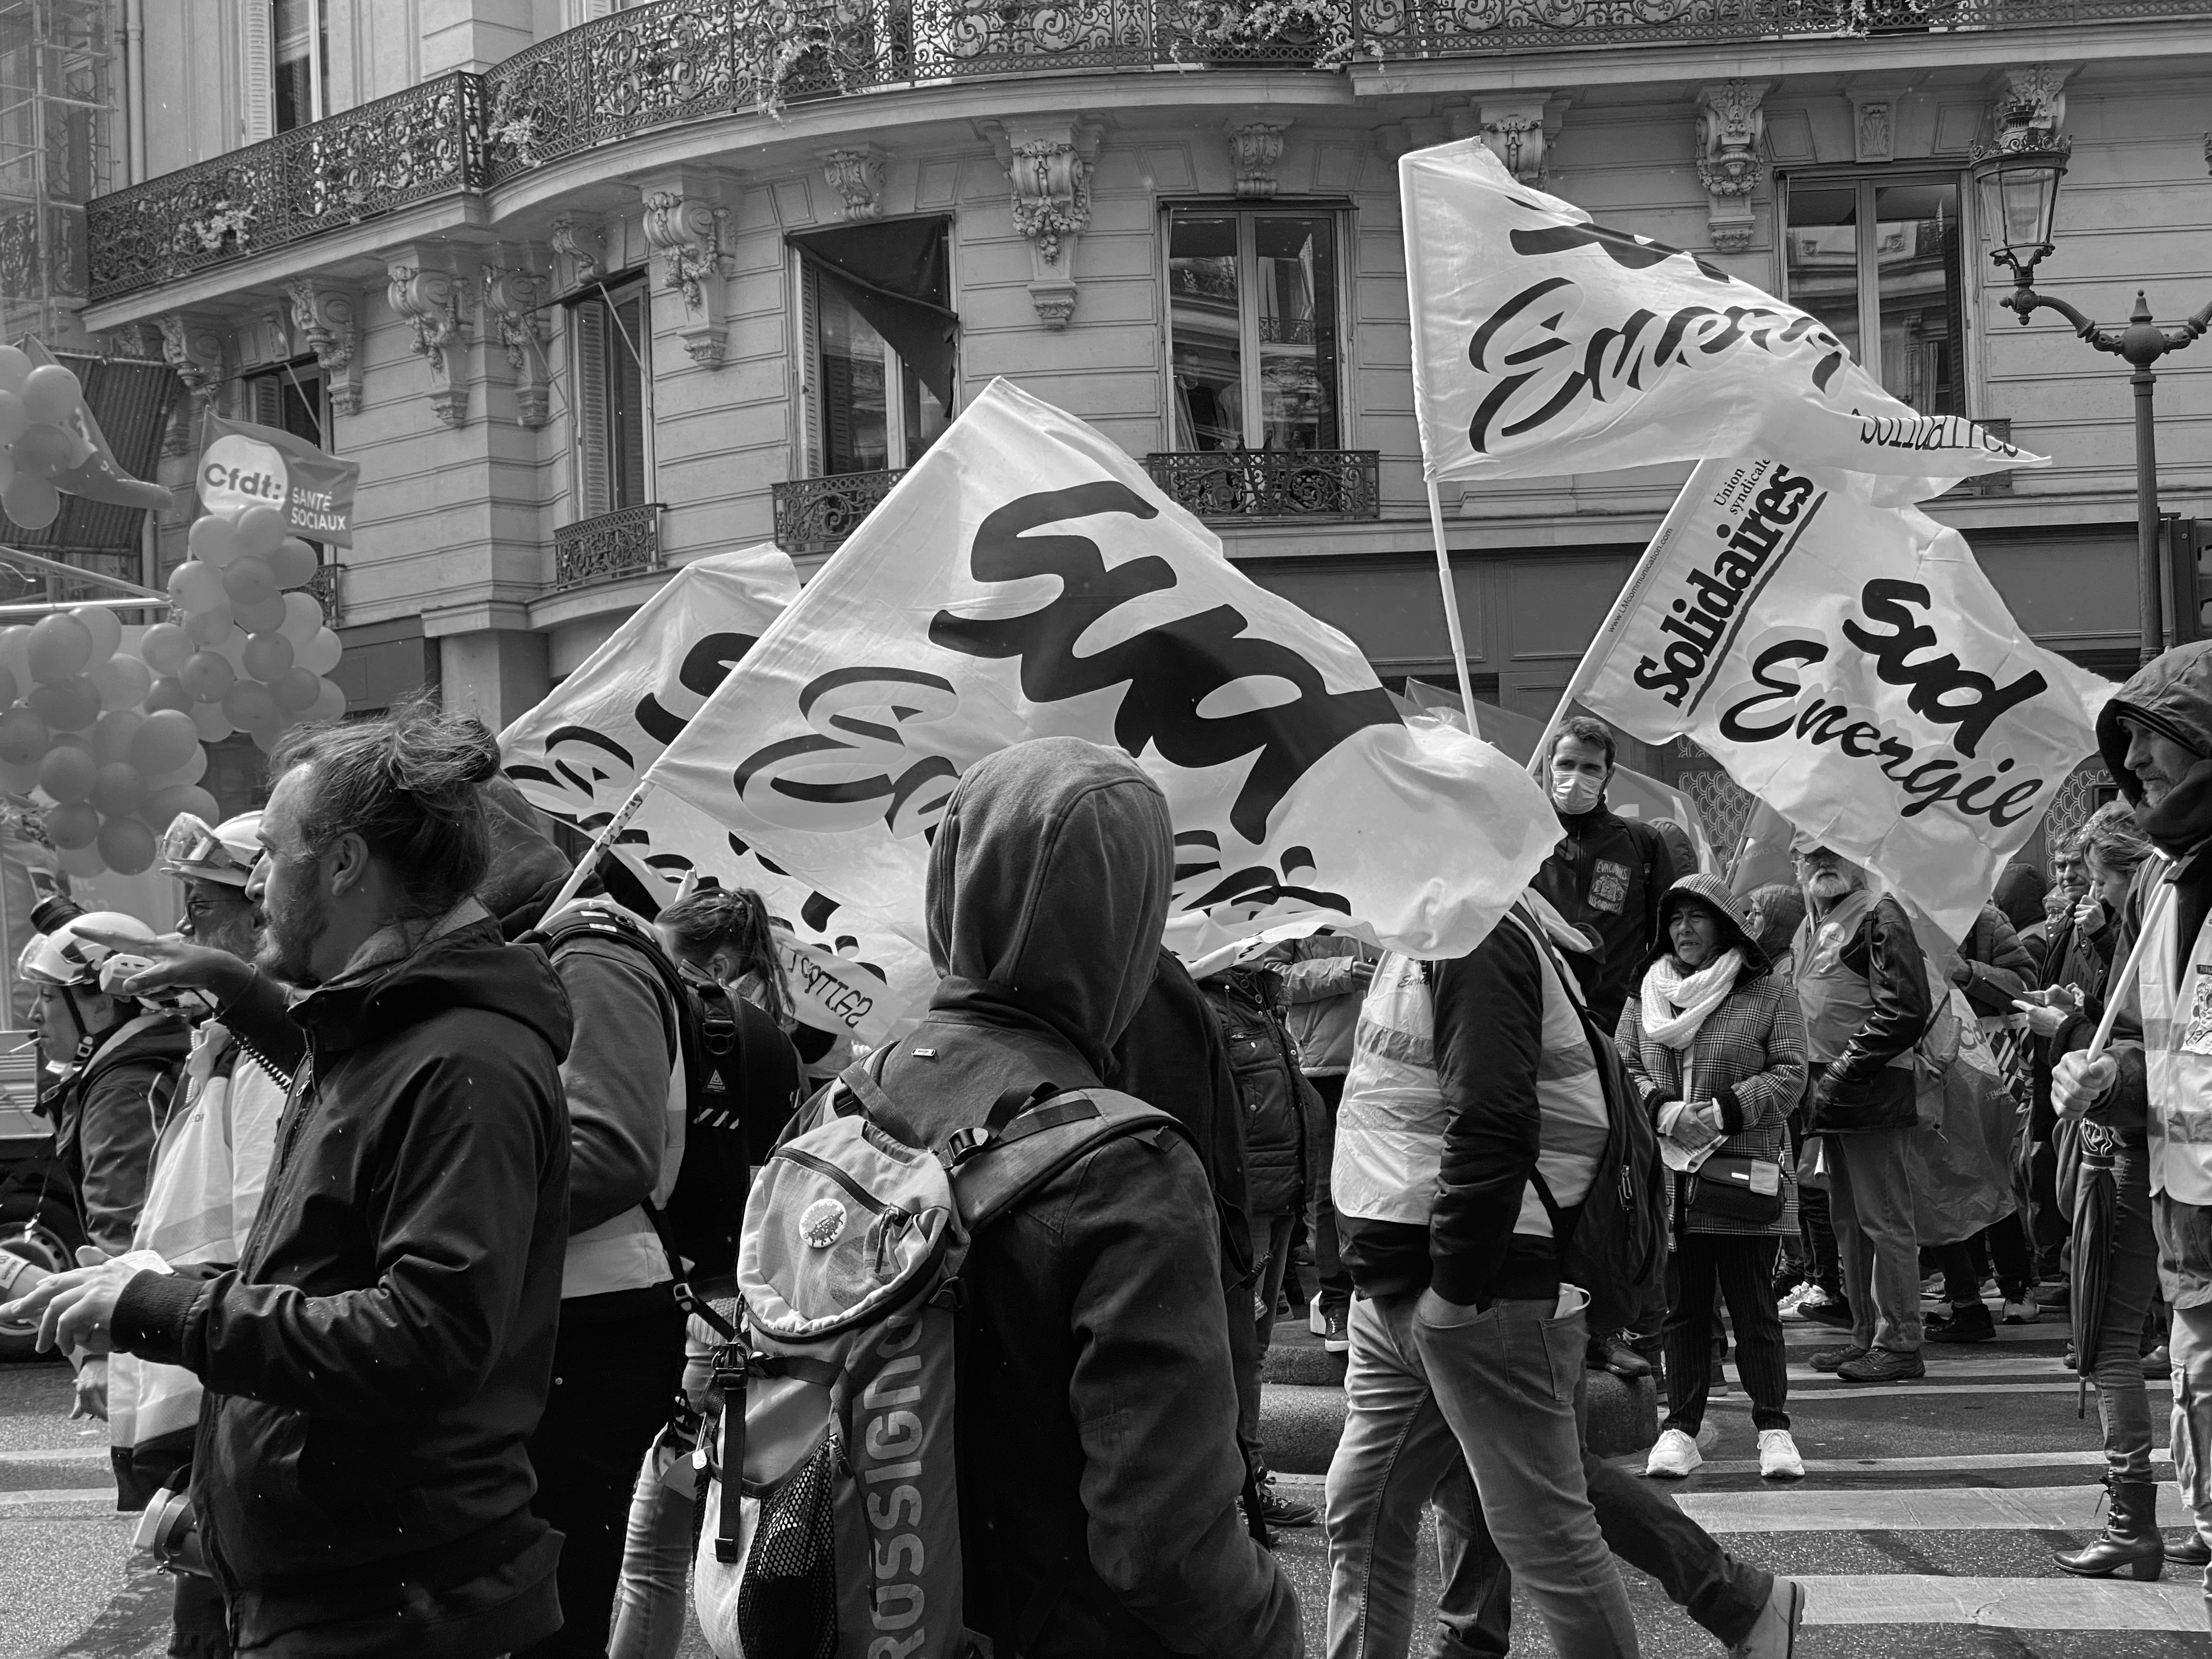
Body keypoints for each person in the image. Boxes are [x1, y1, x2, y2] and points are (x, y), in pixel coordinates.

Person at [5, 708, 573, 1658]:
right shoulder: (402, 1026)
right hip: (346, 1588)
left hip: (399, 1608)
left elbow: (426, 1336)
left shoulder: (462, 1056)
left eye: (273, 852)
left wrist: (161, 1305)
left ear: (345, 861)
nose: (258, 881)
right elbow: (345, 1069)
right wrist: (240, 990)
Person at [812, 736, 1300, 1654]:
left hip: (851, 1611)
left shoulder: (838, 1104)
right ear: (1128, 919)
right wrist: (1272, 1620)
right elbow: (1165, 1545)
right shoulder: (1130, 1165)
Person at [1328, 888, 1803, 1659]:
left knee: (1544, 1526)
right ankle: (1742, 1602)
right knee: (1369, 1513)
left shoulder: (1470, 928)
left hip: (1475, 1286)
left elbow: (1494, 1119)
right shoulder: (1422, 926)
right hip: (1401, 1281)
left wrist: (1456, 1287)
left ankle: (1739, 1602)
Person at [483, 851, 689, 1659]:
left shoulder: (586, 951)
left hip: (590, 1324)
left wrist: (453, 1220)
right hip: (559, 1316)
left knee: (553, 1613)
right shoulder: (547, 950)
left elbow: (610, 1151)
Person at [105, 813, 290, 1659]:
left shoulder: (266, 1061)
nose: (183, 933)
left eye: (202, 911)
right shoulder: (225, 1047)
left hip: (235, 1387)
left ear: (262, 916)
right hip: (209, 1374)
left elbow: (262, 1238)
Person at [2055, 642, 2212, 1620]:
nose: (2139, 768)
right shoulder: (2162, 883)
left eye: (2158, 747)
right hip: (2180, 1205)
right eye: (2131, 752)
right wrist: (2108, 1078)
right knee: (2196, 1394)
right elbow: (2177, 1053)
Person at [608, 886, 806, 1659]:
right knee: (700, 1524)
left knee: (653, 1541)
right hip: (748, 1310)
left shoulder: (685, 1031)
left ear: (715, 961)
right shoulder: (773, 1040)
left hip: (701, 1318)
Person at [1624, 877, 1807, 1482]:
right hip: (1670, 1182)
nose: (1684, 929)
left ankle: (1774, 1429)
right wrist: (1661, 1110)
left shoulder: (1768, 992)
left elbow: (1790, 1071)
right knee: (1683, 1309)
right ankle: (1680, 1428)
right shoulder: (1645, 994)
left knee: (1756, 1307)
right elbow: (1623, 1065)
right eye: (1674, 918)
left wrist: (1724, 1110)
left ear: (1726, 924)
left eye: (1698, 917)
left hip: (1744, 1174)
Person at [2047, 811, 2190, 1578]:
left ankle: (2138, 1518)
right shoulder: (2161, 905)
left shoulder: (2162, 900)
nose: (2089, 892)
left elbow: (2152, 1043)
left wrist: (2102, 1077)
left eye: (2098, 877)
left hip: (2152, 1157)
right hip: (2160, 1151)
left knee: (2112, 1338)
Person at [1533, 715, 1676, 1377]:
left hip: (1612, 1036)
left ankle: (1613, 1325)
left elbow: (1668, 943)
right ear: (1545, 766)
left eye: (1591, 768)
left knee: (1614, 1181)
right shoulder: (1521, 838)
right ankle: (1542, 1321)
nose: (1576, 778)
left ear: (1609, 775)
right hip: (1536, 1029)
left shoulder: (1640, 845)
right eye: (1566, 764)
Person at [19, 909, 191, 1424]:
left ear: (104, 1004)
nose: (34, 1017)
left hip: (157, 1345)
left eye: (49, 997)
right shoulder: (137, 1070)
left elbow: (123, 1225)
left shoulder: (123, 1090)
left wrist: (99, 1349)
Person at [1793, 844, 1933, 1384]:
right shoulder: (1811, 927)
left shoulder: (1879, 913)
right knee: (1849, 1223)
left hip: (1866, 1089)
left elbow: (1905, 1008)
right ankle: (1865, 1336)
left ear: (1857, 855)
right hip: (1832, 1092)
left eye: (1835, 848)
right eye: (1811, 850)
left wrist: (1844, 1072)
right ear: (1795, 859)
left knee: (1885, 1221)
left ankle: (1900, 1341)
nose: (1824, 860)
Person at [1200, 953, 1322, 1530]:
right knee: (1240, 1353)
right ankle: (1242, 1487)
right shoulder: (1209, 1002)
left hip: (1278, 1199)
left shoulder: (1255, 998)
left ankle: (1248, 1485)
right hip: (1243, 1206)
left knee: (1254, 1352)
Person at [1924, 905, 2041, 1341]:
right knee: (1952, 1169)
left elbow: (2025, 986)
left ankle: (2017, 1285)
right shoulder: (1904, 916)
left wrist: (1969, 971)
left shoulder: (1987, 920)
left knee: (1996, 1169)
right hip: (1939, 1063)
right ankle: (1968, 1287)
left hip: (1990, 1061)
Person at [1278, 934, 1376, 1355]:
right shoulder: (1295, 890)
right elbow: (1271, 977)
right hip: (1324, 1069)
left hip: (1386, 1059)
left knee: (1381, 1183)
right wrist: (1344, 972)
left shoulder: (1383, 883)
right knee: (1329, 1188)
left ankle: (1374, 1296)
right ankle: (1338, 1302)